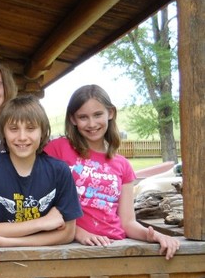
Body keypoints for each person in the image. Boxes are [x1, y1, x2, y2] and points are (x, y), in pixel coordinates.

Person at [43, 84, 180, 259]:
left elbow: (128, 222)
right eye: (83, 117)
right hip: (71, 247)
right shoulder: (58, 149)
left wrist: (154, 236)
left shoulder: (123, 165)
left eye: (97, 115)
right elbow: (40, 202)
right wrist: (77, 232)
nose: (91, 124)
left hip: (115, 247)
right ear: (73, 119)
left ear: (110, 113)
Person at [0, 95, 82, 247]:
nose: (22, 137)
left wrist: (10, 242)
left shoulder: (59, 171)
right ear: (3, 132)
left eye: (30, 128)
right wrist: (42, 223)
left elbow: (68, 233)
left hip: (48, 258)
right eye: (13, 129)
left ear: (43, 131)